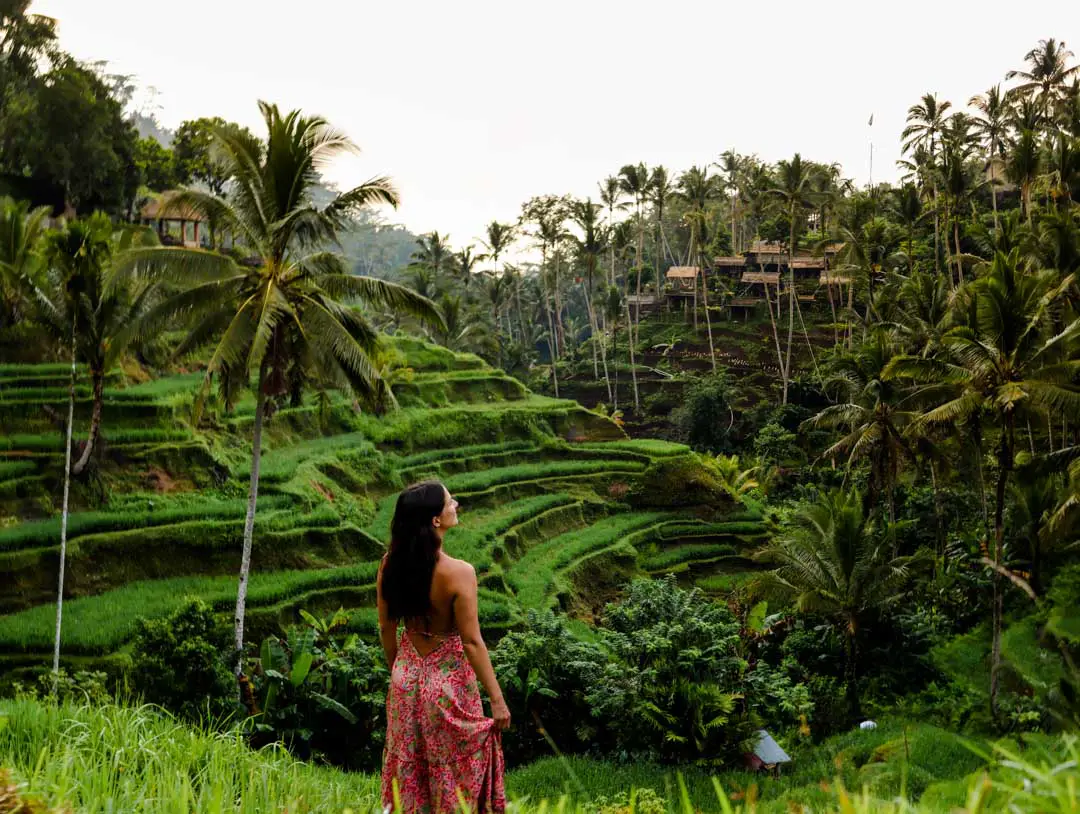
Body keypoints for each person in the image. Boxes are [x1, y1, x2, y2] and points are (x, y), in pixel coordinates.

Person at [378, 480, 510, 813]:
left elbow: (386, 627)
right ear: (435, 520)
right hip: (448, 683)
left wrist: (401, 669)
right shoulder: (459, 573)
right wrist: (497, 699)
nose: (457, 505)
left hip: (404, 679)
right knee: (452, 771)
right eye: (451, 502)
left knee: (408, 768)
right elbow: (472, 642)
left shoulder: (389, 564)